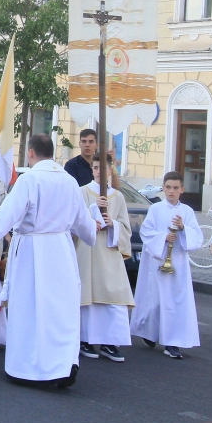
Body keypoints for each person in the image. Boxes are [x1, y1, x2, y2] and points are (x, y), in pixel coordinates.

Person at [0, 134, 97, 387]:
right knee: (60, 311)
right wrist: (92, 231)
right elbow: (85, 225)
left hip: (34, 252)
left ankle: (31, 369)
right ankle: (65, 365)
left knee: (30, 310)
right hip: (62, 250)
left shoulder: (30, 179)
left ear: (31, 152)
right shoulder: (69, 181)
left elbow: (6, 216)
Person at [131, 171, 203, 359]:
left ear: (182, 190)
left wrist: (182, 228)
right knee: (155, 301)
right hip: (157, 261)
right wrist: (163, 237)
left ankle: (173, 342)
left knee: (175, 302)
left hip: (178, 262)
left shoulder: (186, 211)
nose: (171, 191)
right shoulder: (156, 209)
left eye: (175, 188)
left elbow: (197, 236)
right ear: (163, 188)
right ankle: (150, 333)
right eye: (168, 187)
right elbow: (146, 231)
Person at [77, 155, 134, 362]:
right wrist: (92, 216)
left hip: (109, 253)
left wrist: (113, 224)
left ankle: (110, 342)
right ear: (92, 170)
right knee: (88, 295)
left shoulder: (117, 197)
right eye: (96, 167)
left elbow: (125, 228)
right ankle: (85, 339)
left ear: (111, 170)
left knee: (113, 294)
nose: (100, 171)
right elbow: (75, 220)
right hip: (88, 251)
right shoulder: (82, 192)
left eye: (104, 167)